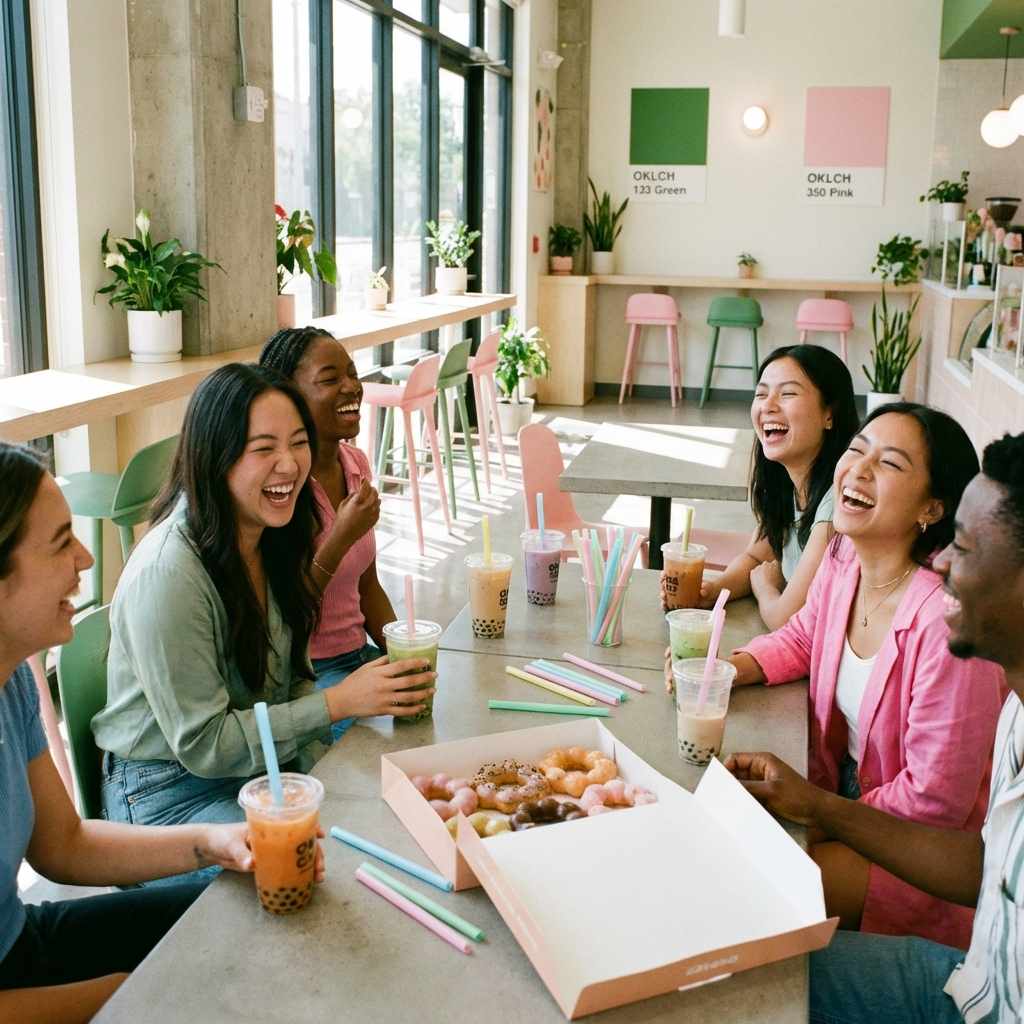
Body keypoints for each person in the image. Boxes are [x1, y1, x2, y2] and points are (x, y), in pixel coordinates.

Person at [726, 430, 1024, 1023]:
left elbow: (934, 804)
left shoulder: (948, 631)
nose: (941, 562)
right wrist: (730, 667)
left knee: (746, 926)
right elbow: (988, 864)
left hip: (948, 929)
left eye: (962, 548)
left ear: (929, 509)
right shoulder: (844, 560)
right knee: (732, 963)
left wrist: (819, 818)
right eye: (856, 452)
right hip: (975, 977)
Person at [92, 364, 435, 842]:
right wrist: (337, 703)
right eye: (264, 449)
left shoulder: (270, 536)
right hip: (166, 794)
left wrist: (328, 772)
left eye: (298, 443)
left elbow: (290, 681)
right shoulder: (169, 572)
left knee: (385, 815)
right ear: (217, 456)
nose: (291, 465)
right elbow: (206, 745)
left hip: (256, 769)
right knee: (313, 856)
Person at [0, 442, 279, 1023]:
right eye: (60, 543)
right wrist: (119, 994)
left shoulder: (12, 684)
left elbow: (63, 845)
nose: (84, 559)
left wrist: (215, 841)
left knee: (248, 906)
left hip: (20, 944)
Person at [259, 327, 396, 741]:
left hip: (360, 659)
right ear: (289, 396)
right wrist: (340, 535)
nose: (351, 386)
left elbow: (366, 585)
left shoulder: (355, 463)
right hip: (308, 677)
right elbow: (285, 613)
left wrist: (402, 650)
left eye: (352, 374)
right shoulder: (279, 487)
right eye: (330, 378)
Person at [700, 344, 858, 629]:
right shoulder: (786, 481)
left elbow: (786, 618)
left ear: (829, 414)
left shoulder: (837, 501)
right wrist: (712, 592)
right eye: (761, 394)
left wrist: (764, 587)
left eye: (787, 394)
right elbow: (756, 556)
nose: (768, 406)